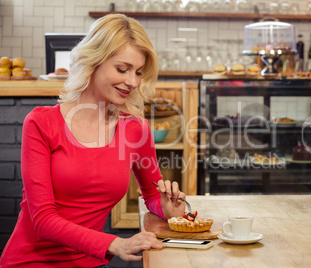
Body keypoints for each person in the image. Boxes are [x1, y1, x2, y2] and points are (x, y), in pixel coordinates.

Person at [0, 14, 186, 267]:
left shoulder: (135, 129)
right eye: (122, 69)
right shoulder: (42, 123)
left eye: (139, 72)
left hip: (91, 262)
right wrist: (113, 243)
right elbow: (42, 220)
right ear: (93, 62)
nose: (132, 82)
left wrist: (166, 208)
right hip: (29, 262)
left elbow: (152, 193)